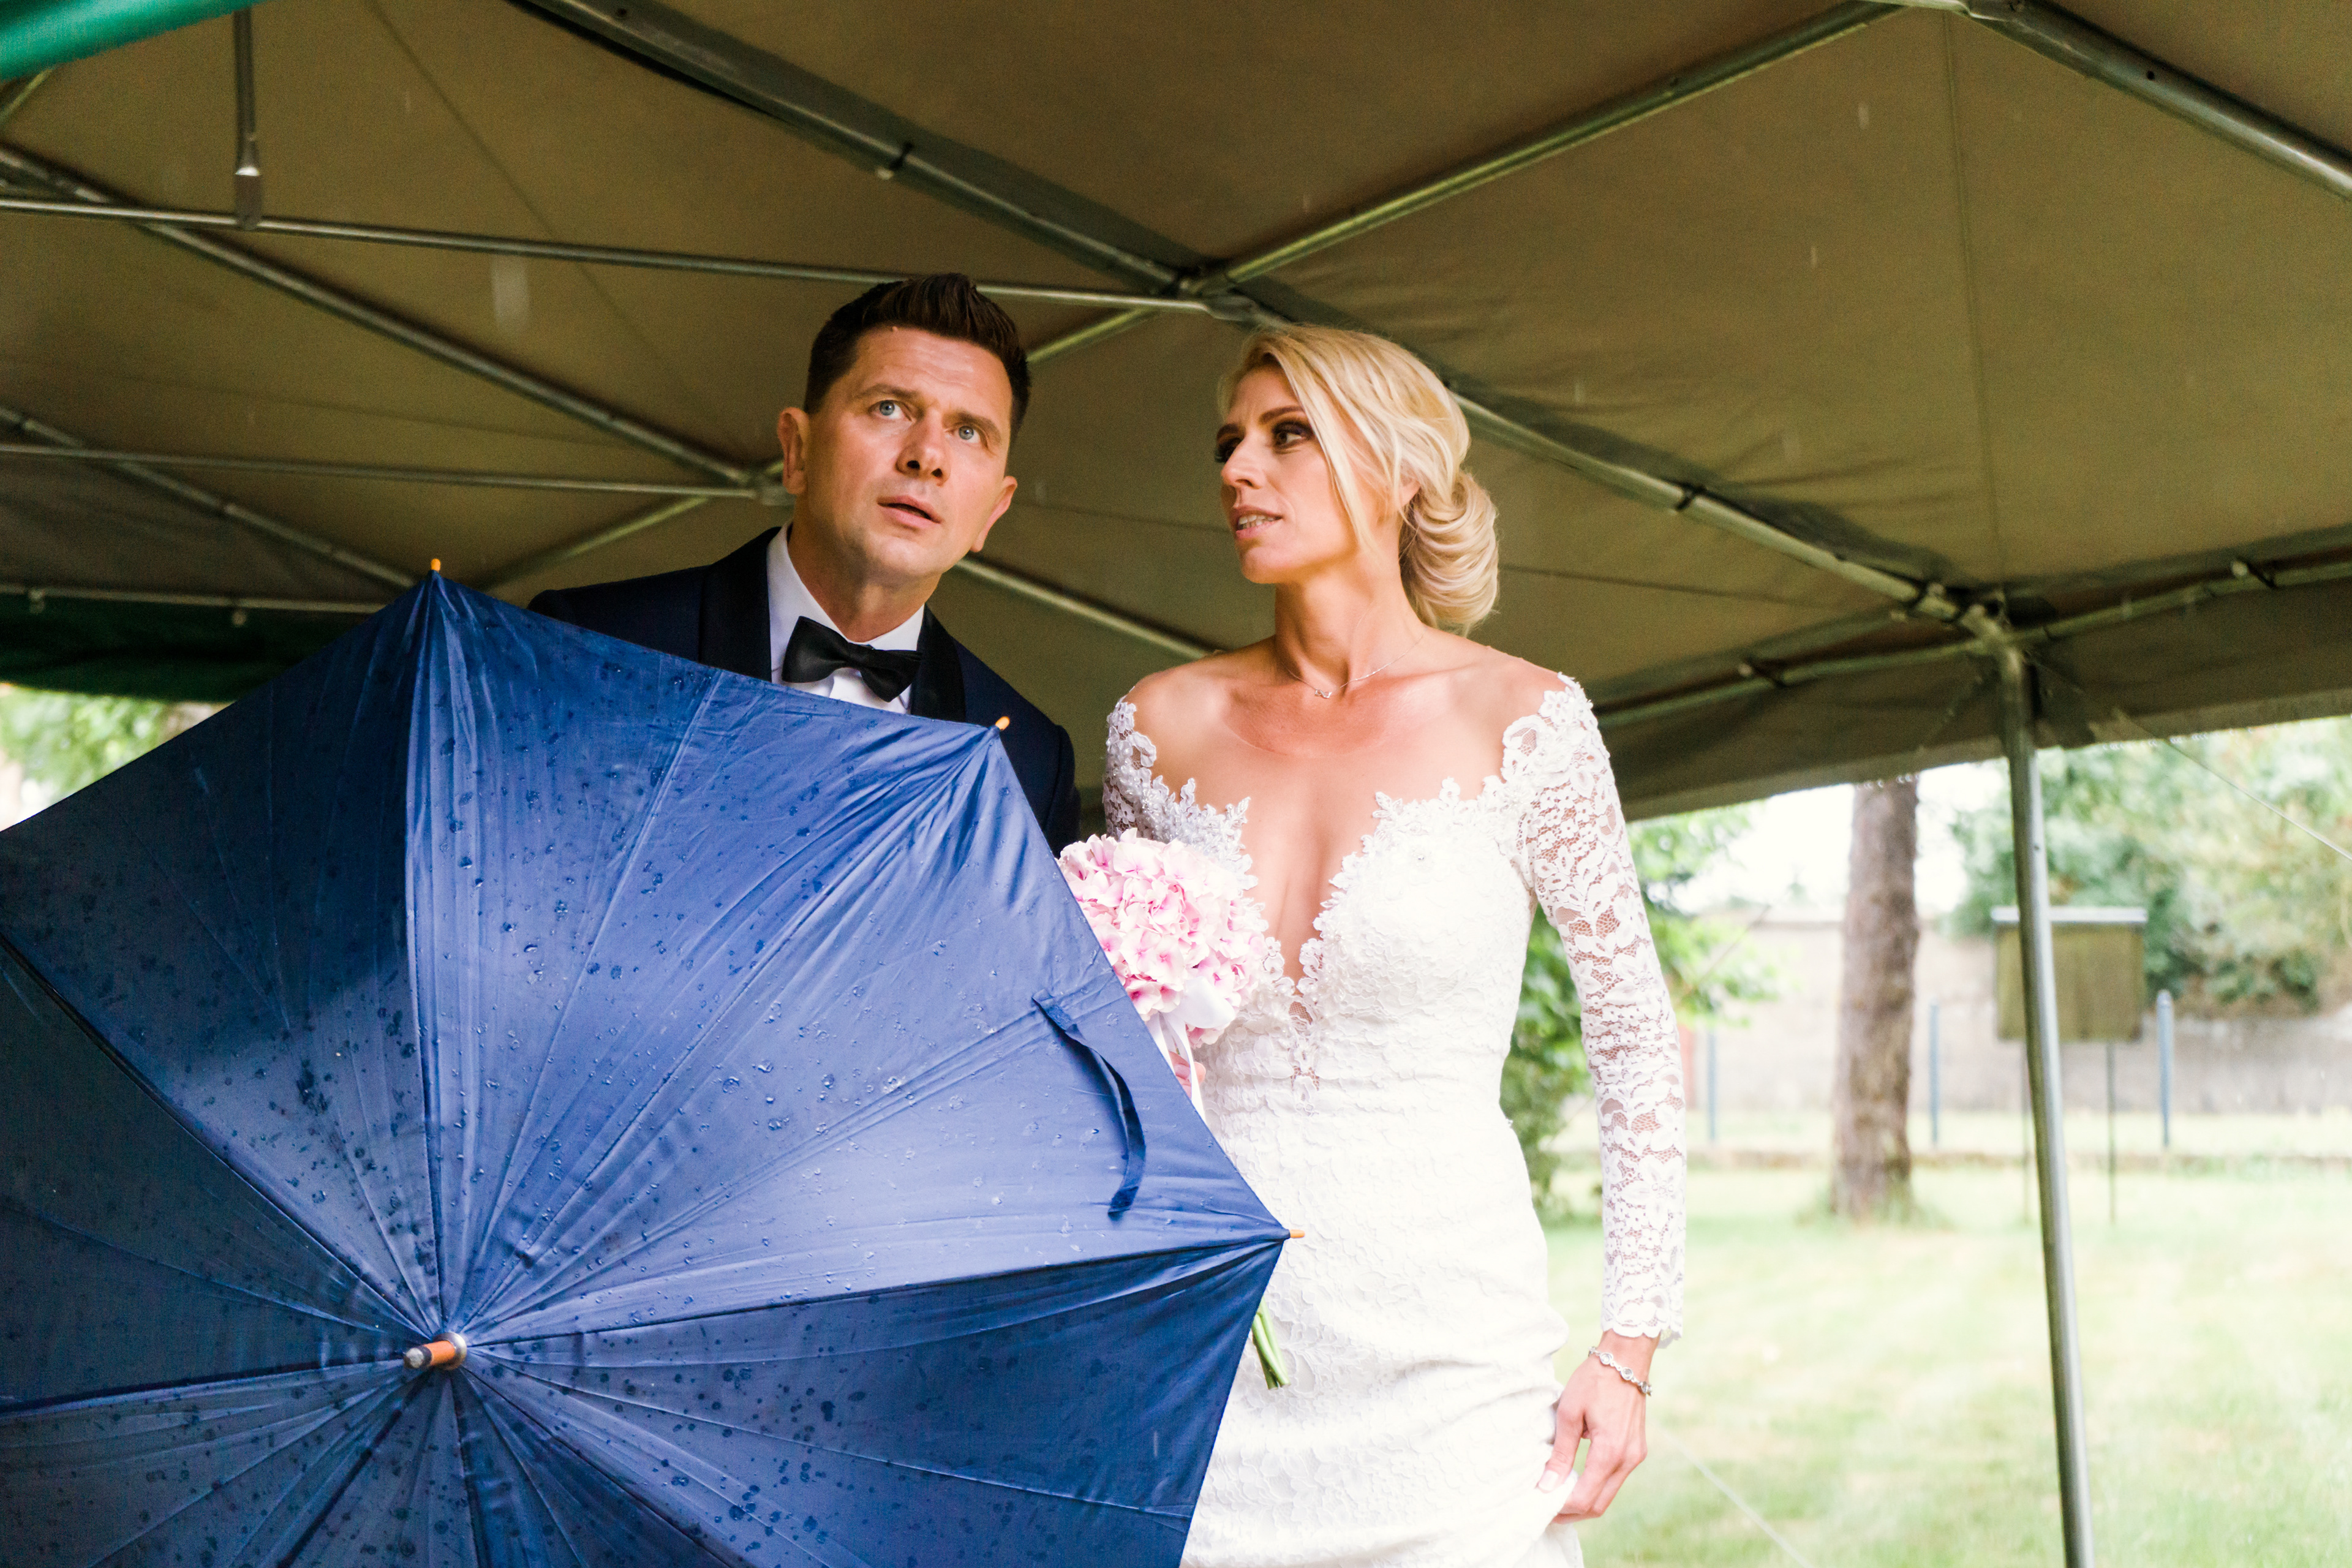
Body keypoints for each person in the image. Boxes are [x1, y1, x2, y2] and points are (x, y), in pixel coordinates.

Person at [1105, 326, 1685, 1566]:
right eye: (1229, 442)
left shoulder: (1527, 720)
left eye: (1289, 435)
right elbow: (1136, 1060)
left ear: (1400, 468)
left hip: (1452, 1354)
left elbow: (1635, 1039)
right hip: (1210, 1347)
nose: (1238, 469)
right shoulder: (1157, 728)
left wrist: (1629, 1344)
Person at [532, 274, 1081, 849]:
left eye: (968, 432)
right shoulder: (589, 645)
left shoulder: (1032, 761)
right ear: (797, 450)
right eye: (890, 408)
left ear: (994, 511)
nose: (927, 456)